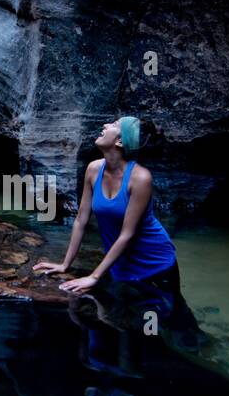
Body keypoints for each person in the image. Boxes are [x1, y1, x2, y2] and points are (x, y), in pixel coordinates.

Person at [32, 116, 183, 312]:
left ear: (120, 141)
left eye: (114, 125)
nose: (105, 125)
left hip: (155, 264)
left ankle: (196, 341)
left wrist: (94, 277)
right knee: (126, 321)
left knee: (167, 319)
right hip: (122, 266)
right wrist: (65, 264)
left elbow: (127, 234)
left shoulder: (140, 178)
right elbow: (80, 220)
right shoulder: (94, 169)